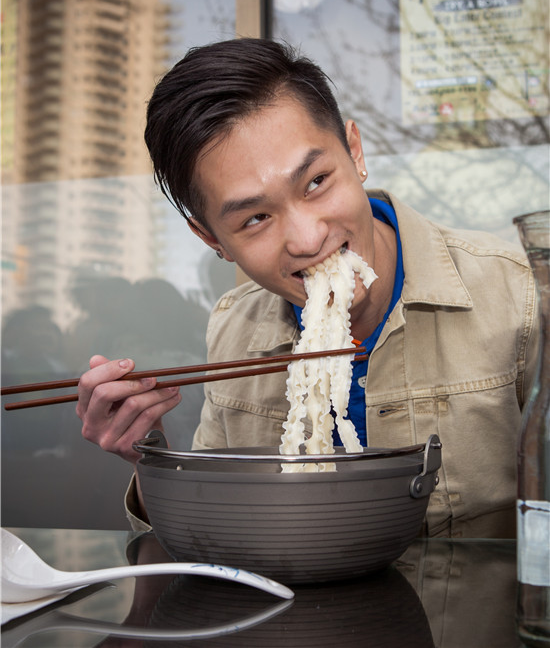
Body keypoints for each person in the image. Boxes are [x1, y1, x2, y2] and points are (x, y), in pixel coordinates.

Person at [77, 38, 540, 538]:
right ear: (212, 238)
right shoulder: (235, 329)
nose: (308, 238)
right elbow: (213, 539)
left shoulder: (521, 296)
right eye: (255, 218)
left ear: (355, 151)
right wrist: (148, 456)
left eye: (316, 182)